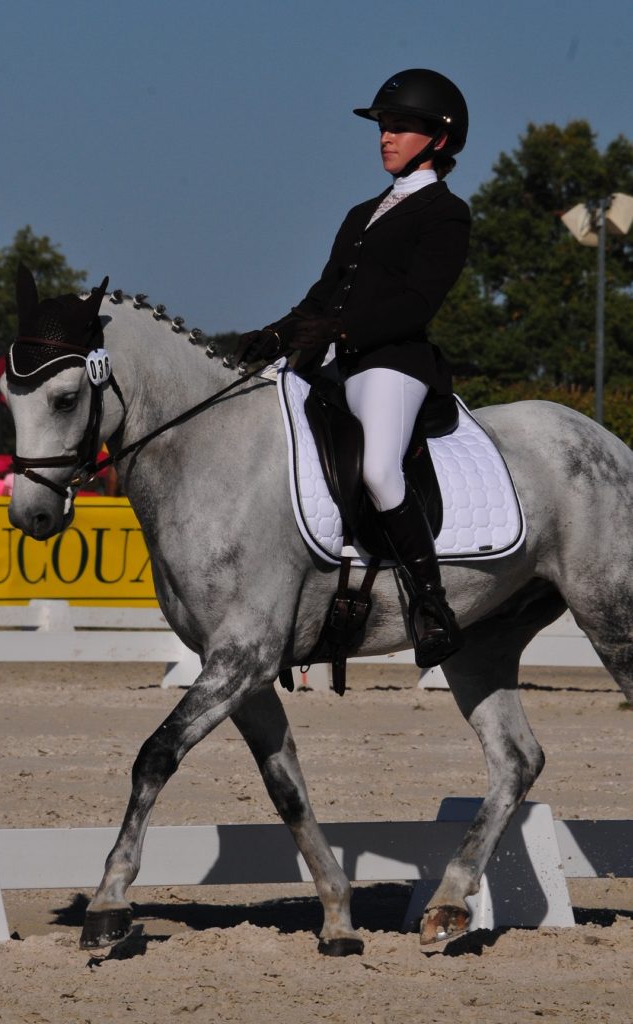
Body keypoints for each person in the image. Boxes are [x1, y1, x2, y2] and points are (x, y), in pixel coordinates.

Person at [235, 69, 470, 667]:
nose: (385, 137)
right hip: (337, 360)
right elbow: (323, 294)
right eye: (383, 128)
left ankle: (431, 605)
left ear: (438, 139)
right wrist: (277, 332)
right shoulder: (362, 212)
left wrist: (340, 332)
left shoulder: (446, 213)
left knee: (380, 469)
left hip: (392, 363)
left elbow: (418, 302)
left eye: (399, 127)